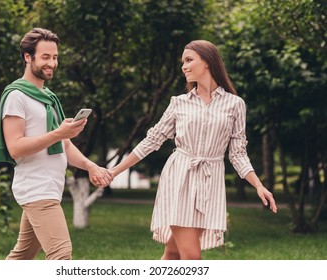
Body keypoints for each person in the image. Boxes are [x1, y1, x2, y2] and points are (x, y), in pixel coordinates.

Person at [108, 40, 277, 260]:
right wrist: (114, 171)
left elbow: (237, 153)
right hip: (180, 179)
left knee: (173, 253)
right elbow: (152, 141)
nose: (184, 67)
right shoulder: (179, 103)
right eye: (183, 62)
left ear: (207, 61)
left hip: (209, 185)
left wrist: (258, 185)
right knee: (192, 259)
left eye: (189, 60)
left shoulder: (235, 104)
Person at [0, 28, 112, 260]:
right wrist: (58, 133)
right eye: (45, 57)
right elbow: (15, 147)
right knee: (61, 255)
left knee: (22, 257)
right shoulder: (16, 96)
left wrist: (90, 166)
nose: (52, 63)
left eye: (55, 57)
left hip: (50, 186)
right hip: (36, 187)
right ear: (28, 57)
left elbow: (65, 145)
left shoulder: (48, 97)